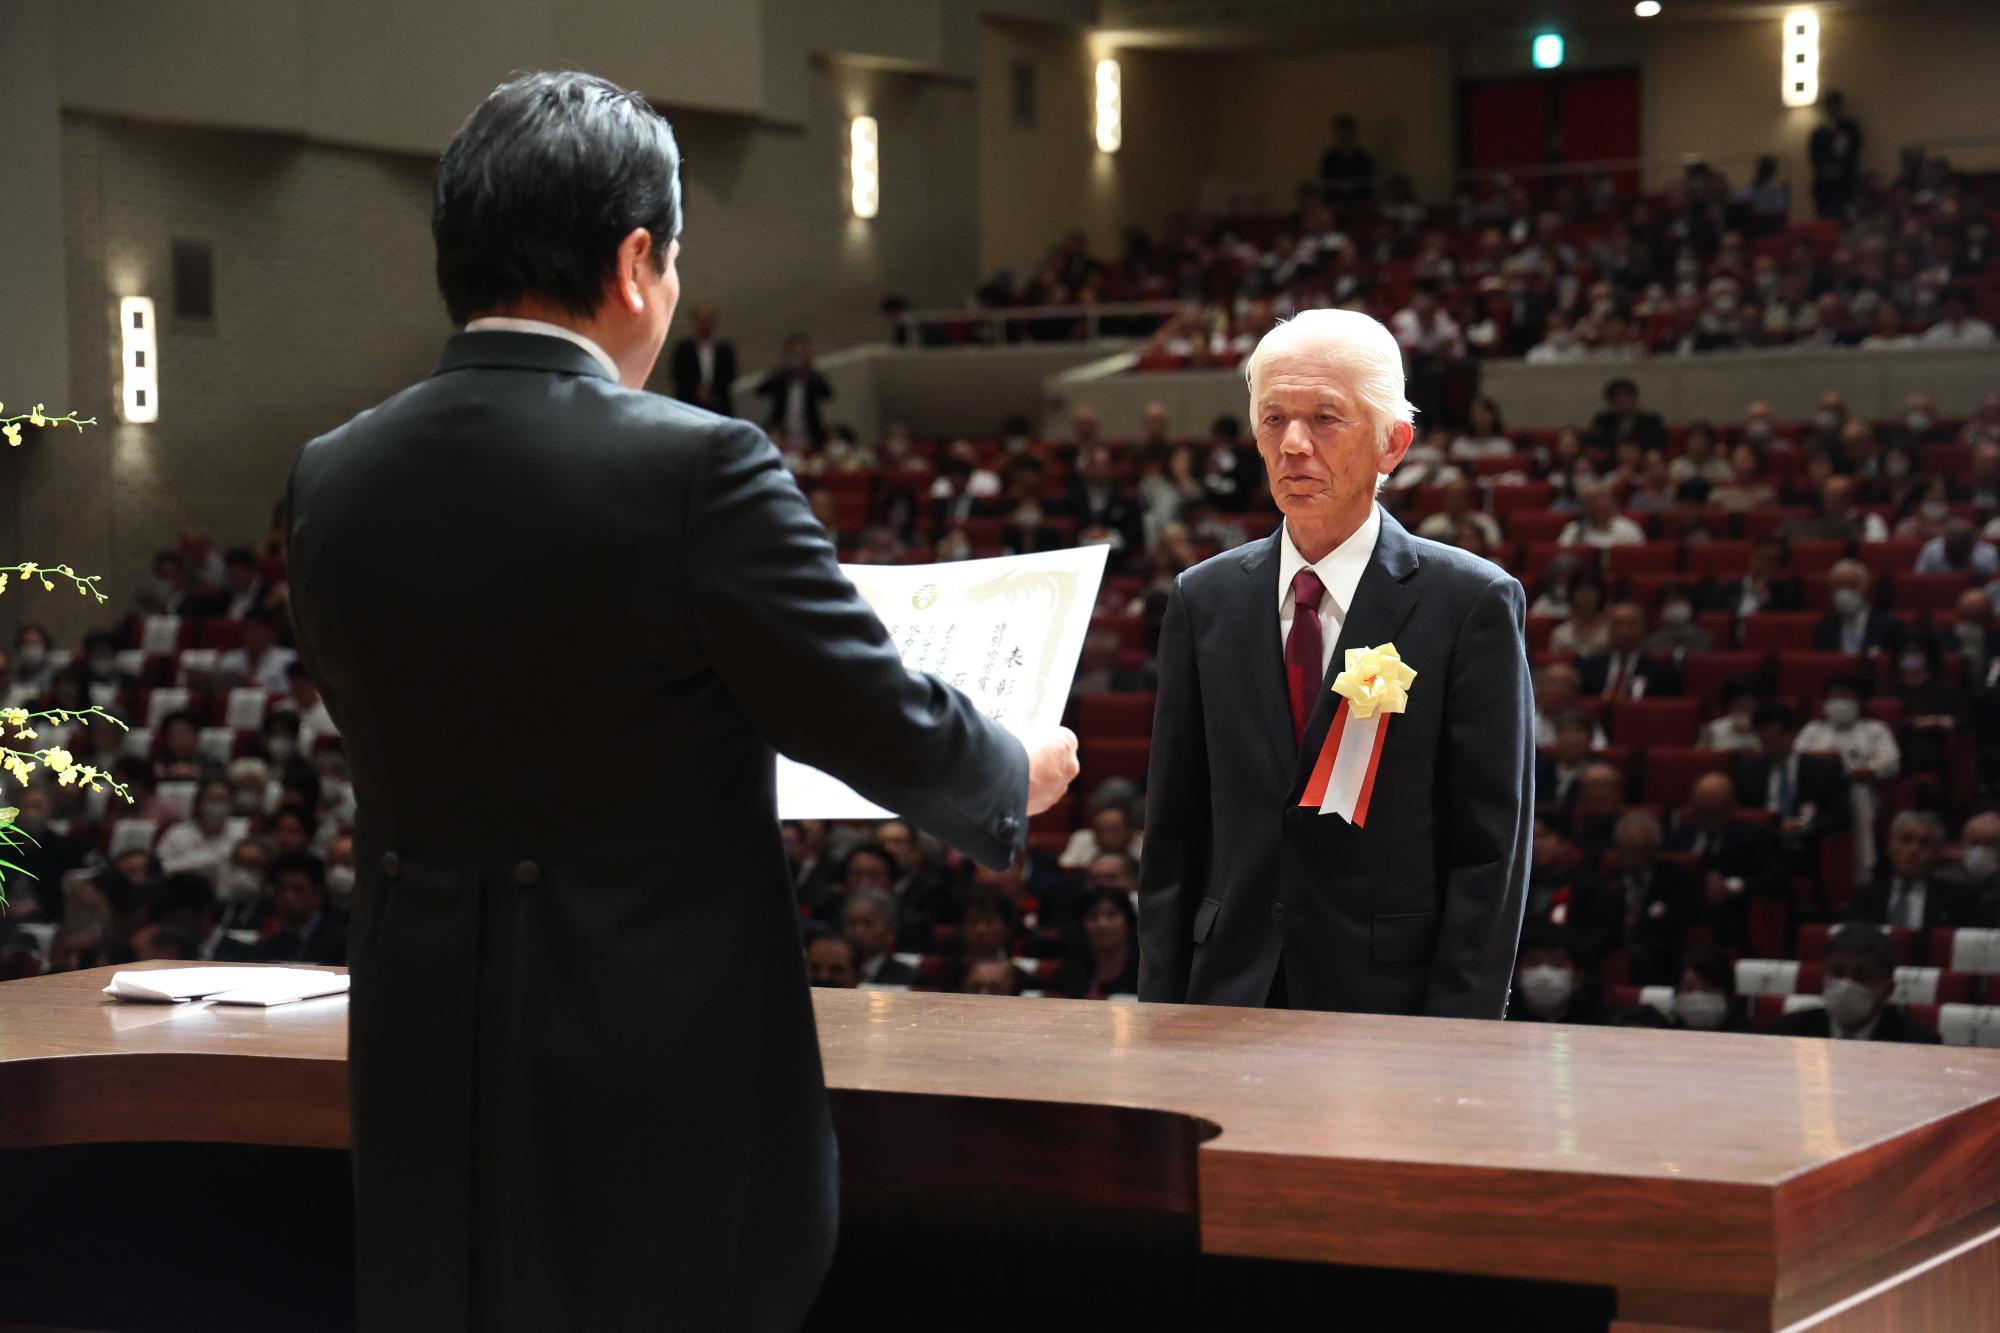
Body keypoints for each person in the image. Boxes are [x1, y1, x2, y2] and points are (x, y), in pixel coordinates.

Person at [284, 71, 1078, 1333]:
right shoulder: (695, 466)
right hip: (647, 1067)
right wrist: (1008, 769)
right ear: (634, 260)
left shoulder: (330, 476)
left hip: (420, 1060)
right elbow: (863, 707)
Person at [1139, 308, 1532, 1017]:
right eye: (1273, 419)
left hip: (1390, 1005)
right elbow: (1173, 833)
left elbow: (1490, 853)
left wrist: (1459, 1039)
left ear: (1392, 443)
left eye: (1324, 418)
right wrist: (1159, 1015)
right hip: (1225, 996)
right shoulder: (1204, 599)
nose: (1293, 444)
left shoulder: (1470, 602)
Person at [1795, 676, 1900, 887]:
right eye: (1835, 697)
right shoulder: (1813, 730)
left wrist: (1864, 770)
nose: (1840, 702)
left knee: (1856, 793)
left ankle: (1862, 874)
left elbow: (1890, 762)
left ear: (1858, 700)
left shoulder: (1875, 729)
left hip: (1861, 792)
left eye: (1846, 696)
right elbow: (1798, 761)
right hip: (1816, 797)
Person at [1574, 810, 1697, 986]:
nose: (1631, 858)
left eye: (1638, 851)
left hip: (1661, 963)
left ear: (1654, 849)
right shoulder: (1604, 883)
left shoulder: (1676, 880)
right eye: (1624, 851)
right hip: (1605, 962)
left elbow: (1678, 925)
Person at [1667, 773, 1783, 954]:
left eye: (1713, 813)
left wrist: (1730, 887)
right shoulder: (1680, 836)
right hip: (1682, 920)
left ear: (1731, 809)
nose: (1706, 820)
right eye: (1700, 812)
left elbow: (1776, 880)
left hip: (1731, 916)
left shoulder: (1753, 837)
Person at [1772, 924, 1939, 1043]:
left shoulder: (1917, 1044)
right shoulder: (1788, 1033)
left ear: (1887, 990)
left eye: (1861, 976)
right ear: (1823, 976)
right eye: (1838, 973)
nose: (1846, 984)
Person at [1848, 811, 1983, 932]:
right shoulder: (1865, 897)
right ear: (1889, 847)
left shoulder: (1961, 900)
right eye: (1906, 840)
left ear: (1937, 853)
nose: (1914, 850)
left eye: (1925, 843)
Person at [1578, 603, 1681, 700]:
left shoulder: (1662, 672)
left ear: (1644, 628)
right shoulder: (1588, 667)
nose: (1624, 631)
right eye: (1617, 624)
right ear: (1608, 628)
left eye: (1631, 624)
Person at [1054, 887, 1141, 999]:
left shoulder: (1146, 966)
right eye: (1092, 916)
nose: (1102, 924)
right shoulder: (1072, 963)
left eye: (1111, 915)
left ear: (1128, 920)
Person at [1506, 925, 1604, 1025]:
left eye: (1557, 963)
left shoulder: (1601, 1022)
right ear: (1516, 974)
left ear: (1577, 977)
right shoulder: (1501, 1020)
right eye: (1533, 962)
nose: (1544, 973)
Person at [755, 332, 833, 447]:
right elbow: (760, 391)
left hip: (809, 435)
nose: (797, 361)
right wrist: (776, 372)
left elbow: (827, 394)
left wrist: (813, 370)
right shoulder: (781, 380)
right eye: (794, 355)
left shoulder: (812, 380)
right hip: (782, 435)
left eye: (801, 355)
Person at [1813, 560, 1904, 657]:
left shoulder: (1888, 626)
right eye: (1838, 586)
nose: (1844, 592)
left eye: (1851, 585)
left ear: (1864, 586)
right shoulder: (1823, 629)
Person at [668, 302, 738, 416]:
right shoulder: (683, 349)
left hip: (719, 404)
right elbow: (678, 374)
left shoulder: (725, 349)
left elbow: (731, 374)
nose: (704, 324)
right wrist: (696, 390)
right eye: (701, 320)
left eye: (707, 320)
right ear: (694, 322)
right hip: (688, 404)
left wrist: (712, 393)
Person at [1707, 537, 1802, 617]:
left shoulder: (1787, 596)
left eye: (1769, 560)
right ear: (1751, 557)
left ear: (1779, 566)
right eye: (1759, 557)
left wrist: (1764, 598)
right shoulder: (1725, 590)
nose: (1762, 564)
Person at [840, 887, 916, 986]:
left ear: (890, 932)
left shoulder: (907, 977)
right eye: (852, 923)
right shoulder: (829, 972)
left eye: (868, 924)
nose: (858, 931)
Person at [1807, 91, 1863, 221]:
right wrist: (1825, 169)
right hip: (1824, 187)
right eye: (1830, 107)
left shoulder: (1850, 128)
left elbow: (1855, 148)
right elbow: (1814, 155)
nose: (1832, 110)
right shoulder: (1819, 132)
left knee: (1845, 217)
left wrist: (1840, 167)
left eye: (1835, 107)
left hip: (1845, 183)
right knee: (1826, 221)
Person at [1557, 480, 1646, 549]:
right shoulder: (1573, 530)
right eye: (1590, 501)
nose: (1597, 505)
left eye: (1601, 499)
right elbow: (1562, 555)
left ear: (1611, 501)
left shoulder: (1629, 530)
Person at [1587, 378, 1667, 454]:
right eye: (1617, 397)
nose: (1622, 401)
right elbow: (1595, 443)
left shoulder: (1651, 421)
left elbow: (1657, 443)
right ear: (1610, 402)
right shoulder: (1602, 421)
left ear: (1635, 398)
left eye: (1627, 397)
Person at [1915, 518, 2000, 577]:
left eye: (1962, 544)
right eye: (1954, 545)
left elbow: (1993, 585)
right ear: (1944, 541)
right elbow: (1919, 578)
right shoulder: (1932, 550)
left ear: (1973, 544)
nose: (1958, 548)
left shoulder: (1987, 555)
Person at [1319, 114, 1373, 204]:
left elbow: (1368, 183)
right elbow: (1326, 183)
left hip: (1359, 203)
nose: (1344, 137)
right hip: (1335, 203)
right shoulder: (1330, 158)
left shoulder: (1362, 157)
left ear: (1353, 134)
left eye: (1347, 133)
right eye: (1341, 133)